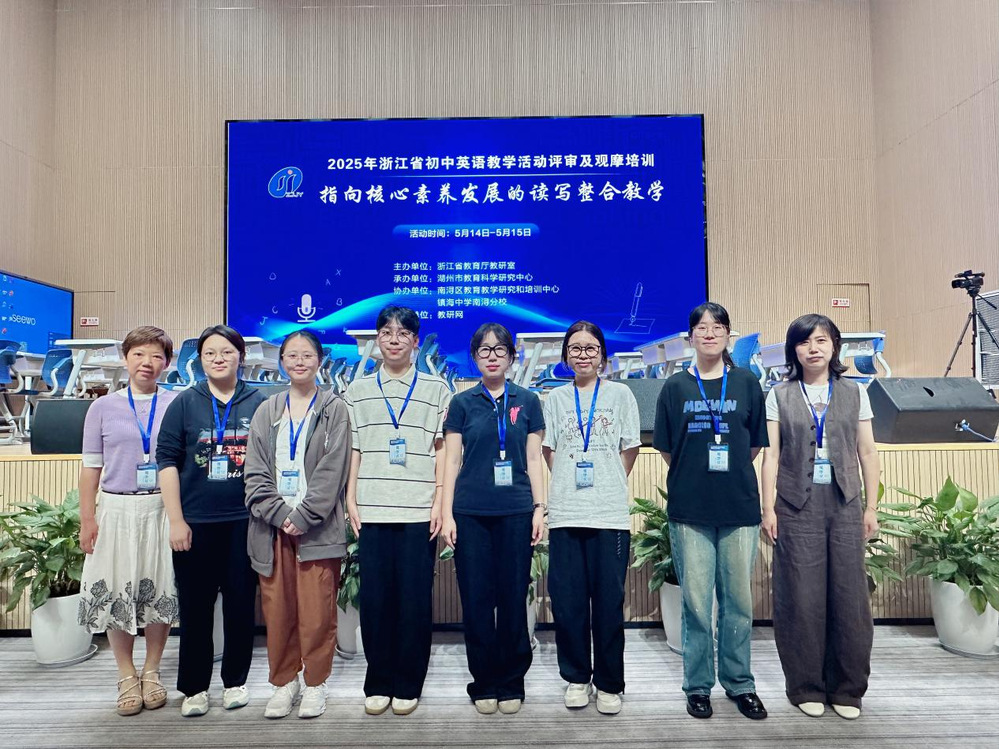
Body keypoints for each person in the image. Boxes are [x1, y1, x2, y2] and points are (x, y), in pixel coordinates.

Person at [652, 302, 769, 721]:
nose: (709, 333)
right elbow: (668, 449)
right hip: (690, 508)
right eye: (701, 328)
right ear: (690, 338)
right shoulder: (675, 388)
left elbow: (753, 446)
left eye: (717, 327)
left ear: (728, 335)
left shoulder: (747, 382)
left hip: (739, 506)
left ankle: (740, 684)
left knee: (738, 602)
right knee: (697, 604)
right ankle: (698, 686)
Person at [760, 314, 880, 720]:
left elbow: (867, 452)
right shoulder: (779, 394)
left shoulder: (855, 392)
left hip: (845, 504)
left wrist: (871, 507)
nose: (813, 348)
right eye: (804, 342)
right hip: (796, 506)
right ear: (793, 349)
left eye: (822, 340)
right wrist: (768, 509)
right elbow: (771, 455)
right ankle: (805, 686)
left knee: (850, 596)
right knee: (800, 597)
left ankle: (847, 689)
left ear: (834, 346)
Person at [343, 305, 452, 716]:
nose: (393, 339)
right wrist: (350, 498)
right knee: (375, 600)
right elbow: (354, 449)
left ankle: (408, 682)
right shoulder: (357, 391)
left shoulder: (436, 389)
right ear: (377, 340)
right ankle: (378, 680)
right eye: (386, 332)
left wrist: (440, 501)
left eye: (402, 333)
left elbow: (443, 451)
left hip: (419, 510)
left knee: (414, 601)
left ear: (415, 341)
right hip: (372, 508)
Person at [156, 324, 267, 717]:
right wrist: (176, 520)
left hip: (245, 522)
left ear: (241, 356)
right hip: (195, 524)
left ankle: (235, 682)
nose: (219, 359)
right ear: (199, 359)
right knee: (195, 608)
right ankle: (194, 688)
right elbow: (167, 461)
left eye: (226, 351)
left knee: (240, 606)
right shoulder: (185, 402)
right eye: (210, 353)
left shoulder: (259, 402)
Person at [244, 330, 351, 720]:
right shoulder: (267, 409)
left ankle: (315, 684)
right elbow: (255, 473)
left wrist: (304, 516)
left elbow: (334, 471)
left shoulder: (334, 409)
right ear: (282, 361)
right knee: (278, 611)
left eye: (307, 355)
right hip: (271, 529)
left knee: (318, 612)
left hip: (317, 529)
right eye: (292, 355)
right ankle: (283, 682)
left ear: (319, 361)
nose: (300, 361)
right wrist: (279, 514)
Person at [441, 323, 546, 716]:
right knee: (477, 600)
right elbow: (452, 461)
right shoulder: (462, 403)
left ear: (511, 356)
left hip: (516, 511)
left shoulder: (528, 400)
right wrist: (447, 513)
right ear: (474, 357)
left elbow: (534, 459)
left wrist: (539, 508)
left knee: (513, 598)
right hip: (470, 513)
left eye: (500, 349)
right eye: (484, 350)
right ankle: (484, 681)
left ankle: (512, 681)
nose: (492, 356)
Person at [77, 326, 180, 716]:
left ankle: (151, 670)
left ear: (167, 363)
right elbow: (91, 468)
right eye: (138, 354)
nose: (146, 363)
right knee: (114, 591)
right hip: (116, 509)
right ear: (125, 358)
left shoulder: (176, 403)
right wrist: (87, 519)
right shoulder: (102, 407)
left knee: (159, 591)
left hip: (161, 508)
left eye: (156, 356)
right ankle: (125, 674)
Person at [541, 321, 641, 715]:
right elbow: (549, 449)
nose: (583, 355)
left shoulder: (620, 394)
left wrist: (608, 481)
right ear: (566, 355)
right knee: (568, 604)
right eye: (576, 348)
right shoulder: (555, 398)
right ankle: (577, 678)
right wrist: (569, 480)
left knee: (608, 604)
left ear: (602, 355)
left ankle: (610, 683)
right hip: (566, 513)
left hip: (608, 515)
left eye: (591, 348)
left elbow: (629, 448)